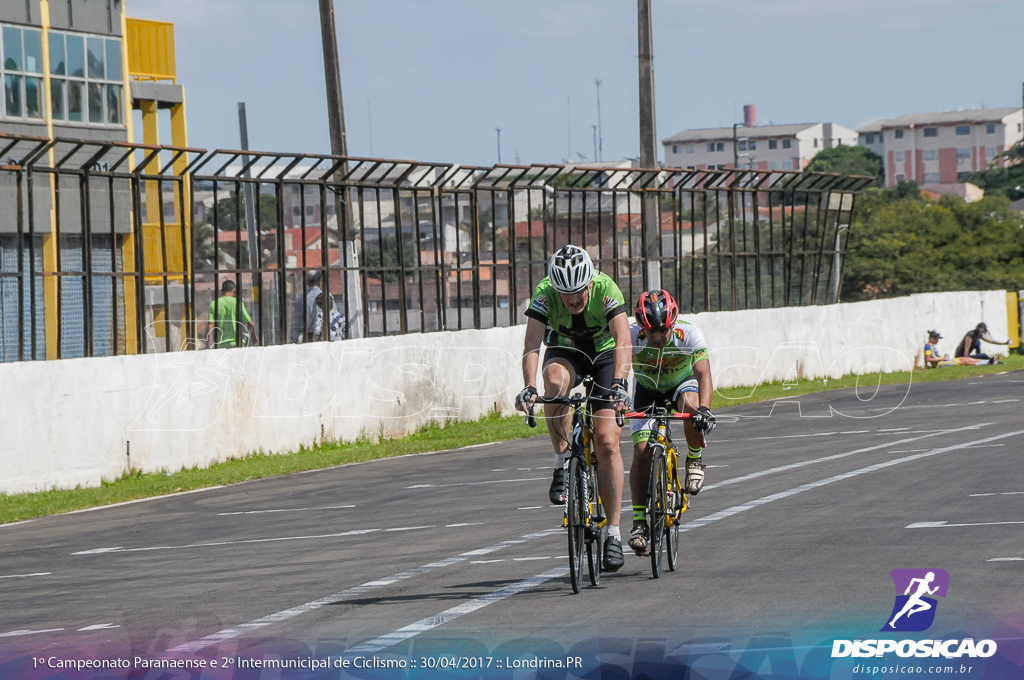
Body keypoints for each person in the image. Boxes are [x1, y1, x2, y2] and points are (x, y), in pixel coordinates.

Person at [515, 245, 632, 572]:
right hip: (566, 352)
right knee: (554, 385)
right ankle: (561, 461)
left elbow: (623, 339)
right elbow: (531, 345)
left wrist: (620, 383)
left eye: (578, 293)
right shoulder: (544, 293)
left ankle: (613, 532)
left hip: (606, 355)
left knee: (608, 440)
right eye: (565, 296)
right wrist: (529, 386)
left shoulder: (606, 287)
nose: (573, 301)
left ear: (590, 284)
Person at [626, 289, 715, 556]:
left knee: (691, 407)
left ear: (672, 324)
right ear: (641, 327)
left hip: (681, 385)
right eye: (651, 331)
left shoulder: (689, 334)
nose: (658, 337)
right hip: (645, 390)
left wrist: (705, 409)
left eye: (663, 331)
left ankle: (695, 459)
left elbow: (704, 376)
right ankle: (640, 523)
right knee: (641, 453)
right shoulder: (630, 337)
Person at [207, 279, 258, 349]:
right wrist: (254, 338)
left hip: (221, 344)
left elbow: (211, 325)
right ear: (234, 290)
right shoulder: (238, 303)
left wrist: (209, 343)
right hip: (237, 343)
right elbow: (251, 323)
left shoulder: (214, 304)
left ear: (222, 292)